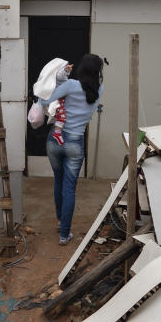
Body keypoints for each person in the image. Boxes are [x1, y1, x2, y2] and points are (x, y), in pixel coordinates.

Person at [40, 53, 104, 246]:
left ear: (81, 69)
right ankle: (64, 234)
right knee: (69, 188)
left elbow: (45, 100)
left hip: (56, 139)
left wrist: (59, 78)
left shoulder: (71, 86)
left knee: (58, 181)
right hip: (76, 142)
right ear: (98, 72)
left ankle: (60, 221)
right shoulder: (99, 90)